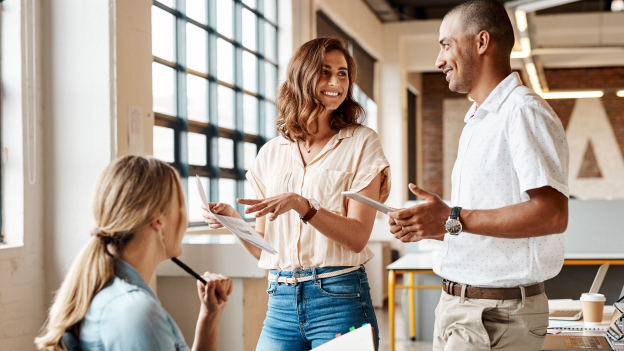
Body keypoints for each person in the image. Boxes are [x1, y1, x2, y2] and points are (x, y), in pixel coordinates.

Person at [388, 1, 569, 350]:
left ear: (481, 42)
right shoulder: (479, 119)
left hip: (494, 316)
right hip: (460, 307)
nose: (438, 60)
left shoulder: (522, 112)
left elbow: (552, 214)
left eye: (445, 44)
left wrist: (452, 218)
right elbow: (481, 219)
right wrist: (437, 222)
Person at [203, 37, 391, 350]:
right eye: (325, 72)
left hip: (340, 299)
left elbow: (358, 236)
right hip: (280, 303)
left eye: (342, 73)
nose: (336, 82)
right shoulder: (270, 153)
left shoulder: (362, 142)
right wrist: (232, 220)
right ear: (301, 77)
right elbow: (265, 250)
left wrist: (304, 206)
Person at [36, 156, 233, 351]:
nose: (184, 216)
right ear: (157, 220)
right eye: (180, 206)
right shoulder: (138, 315)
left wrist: (210, 315)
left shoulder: (114, 295)